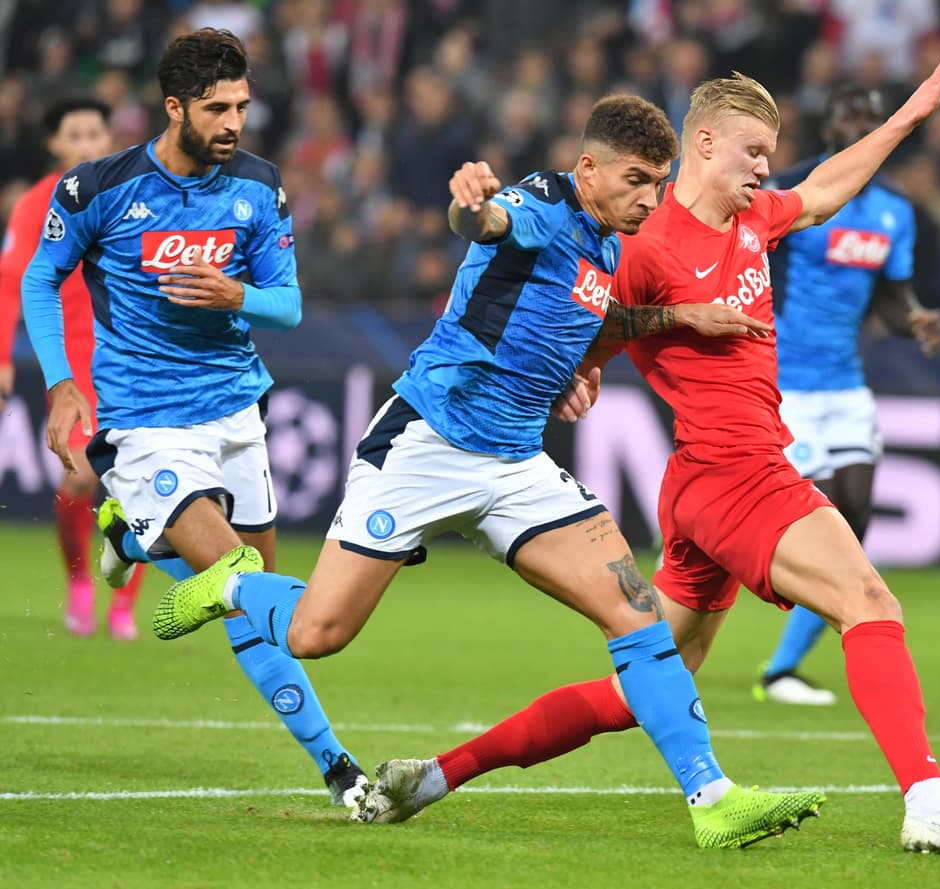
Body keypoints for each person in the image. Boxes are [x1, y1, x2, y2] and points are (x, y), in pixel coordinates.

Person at [358, 46, 940, 860]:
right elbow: (586, 320)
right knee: (870, 600)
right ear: (705, 144)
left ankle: (431, 775)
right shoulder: (644, 246)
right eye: (754, 153)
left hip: (703, 487)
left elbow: (825, 190)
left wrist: (906, 120)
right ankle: (927, 800)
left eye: (771, 159)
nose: (765, 171)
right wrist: (584, 369)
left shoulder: (756, 220)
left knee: (639, 689)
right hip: (733, 469)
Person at [150, 93, 828, 849]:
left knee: (637, 611)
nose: (652, 198)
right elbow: (488, 223)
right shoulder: (542, 200)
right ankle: (230, 582)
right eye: (637, 179)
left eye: (661, 183)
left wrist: (673, 318)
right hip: (428, 443)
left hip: (514, 462)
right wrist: (470, 208)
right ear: (590, 167)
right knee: (315, 633)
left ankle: (713, 797)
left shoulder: (611, 241)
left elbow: (599, 317)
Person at [21, 28, 367, 810]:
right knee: (246, 582)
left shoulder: (258, 185)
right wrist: (61, 382)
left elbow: (289, 304)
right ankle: (345, 764)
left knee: (253, 608)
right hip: (148, 421)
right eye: (217, 108)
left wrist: (237, 294)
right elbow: (43, 280)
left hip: (237, 412)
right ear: (173, 106)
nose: (235, 123)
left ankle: (131, 537)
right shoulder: (97, 188)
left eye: (242, 106)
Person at [752, 84, 940, 706]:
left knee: (856, 513)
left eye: (871, 118)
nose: (861, 125)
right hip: (787, 384)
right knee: (824, 511)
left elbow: (892, 293)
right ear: (831, 122)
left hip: (846, 385)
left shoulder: (893, 211)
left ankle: (782, 667)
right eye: (851, 115)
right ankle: (780, 667)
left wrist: (913, 316)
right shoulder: (791, 192)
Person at [0, 97, 148, 639]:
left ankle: (125, 605)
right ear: (55, 145)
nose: (87, 144)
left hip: (135, 356)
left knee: (144, 481)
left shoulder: (132, 194)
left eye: (95, 134)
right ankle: (82, 583)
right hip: (71, 361)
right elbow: (10, 280)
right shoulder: (37, 204)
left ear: (108, 140)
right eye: (75, 135)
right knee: (81, 477)